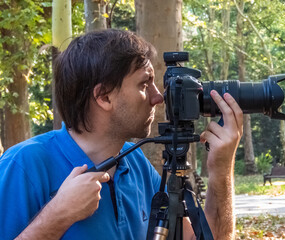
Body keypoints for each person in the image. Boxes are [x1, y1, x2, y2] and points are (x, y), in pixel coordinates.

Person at [0, 29, 243, 240]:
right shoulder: (24, 164)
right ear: (104, 96)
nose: (157, 97)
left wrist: (221, 171)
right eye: (144, 84)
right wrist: (57, 215)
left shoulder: (135, 163)